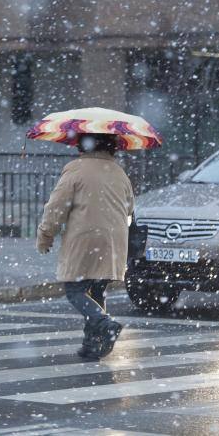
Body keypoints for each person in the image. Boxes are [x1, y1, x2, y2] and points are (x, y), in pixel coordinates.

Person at [36, 133, 135, 359]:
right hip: (114, 239)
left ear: (83, 144)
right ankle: (92, 344)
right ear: (112, 146)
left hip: (84, 237)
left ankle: (104, 324)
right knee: (98, 288)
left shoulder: (76, 169)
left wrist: (45, 235)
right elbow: (129, 207)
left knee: (75, 290)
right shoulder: (119, 172)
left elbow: (56, 207)